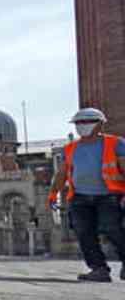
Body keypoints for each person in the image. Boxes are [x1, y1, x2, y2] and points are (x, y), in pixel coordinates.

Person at [49, 107, 125, 282]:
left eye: (87, 122)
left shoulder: (115, 143)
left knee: (112, 229)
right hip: (80, 197)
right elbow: (62, 174)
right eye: (79, 123)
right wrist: (53, 194)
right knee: (84, 233)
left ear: (100, 124)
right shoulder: (70, 148)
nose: (82, 126)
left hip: (109, 195)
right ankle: (98, 269)